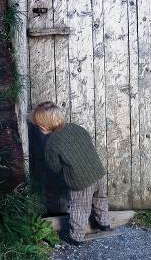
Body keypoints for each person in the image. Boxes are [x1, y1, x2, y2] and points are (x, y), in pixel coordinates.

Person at [31, 102, 111, 244]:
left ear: (43, 126)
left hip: (81, 181)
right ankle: (104, 224)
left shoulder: (52, 143)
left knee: (80, 208)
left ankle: (76, 237)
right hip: (98, 172)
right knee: (101, 198)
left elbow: (54, 166)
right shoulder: (77, 128)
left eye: (38, 125)